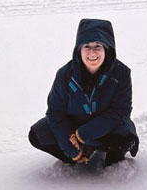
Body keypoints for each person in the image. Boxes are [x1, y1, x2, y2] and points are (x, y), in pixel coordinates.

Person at [28, 18, 139, 172]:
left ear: (107, 49)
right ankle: (77, 155)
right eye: (87, 46)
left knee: (124, 139)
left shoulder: (121, 73)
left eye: (98, 46)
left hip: (108, 127)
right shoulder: (65, 74)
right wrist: (67, 145)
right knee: (38, 134)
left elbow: (120, 111)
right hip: (74, 127)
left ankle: (109, 156)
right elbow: (55, 113)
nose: (92, 52)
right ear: (79, 49)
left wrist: (86, 133)